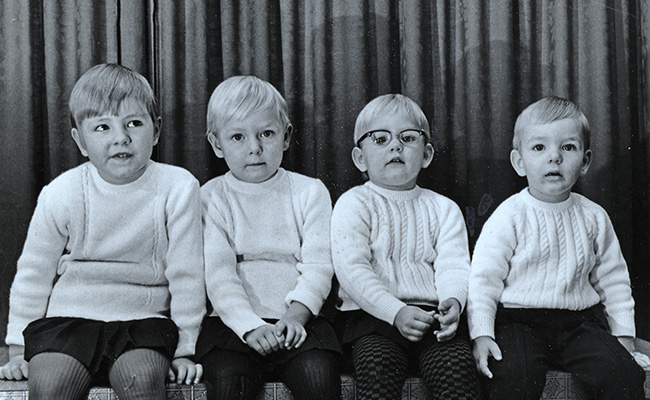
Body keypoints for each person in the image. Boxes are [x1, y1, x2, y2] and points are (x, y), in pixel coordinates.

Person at [0, 63, 206, 400]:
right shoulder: (62, 192)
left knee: (142, 382)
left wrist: (185, 348)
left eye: (134, 123)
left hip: (144, 322)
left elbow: (187, 274)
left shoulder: (178, 187)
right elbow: (33, 273)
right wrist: (18, 348)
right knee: (50, 387)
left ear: (155, 131)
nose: (120, 137)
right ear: (80, 141)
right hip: (69, 321)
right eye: (102, 127)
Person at [468, 96, 650, 399]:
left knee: (622, 373)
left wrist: (624, 337)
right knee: (513, 375)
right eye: (539, 147)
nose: (554, 157)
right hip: (519, 322)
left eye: (568, 147)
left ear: (585, 161)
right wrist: (482, 334)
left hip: (578, 324)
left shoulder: (593, 216)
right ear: (519, 162)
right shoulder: (509, 215)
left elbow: (614, 281)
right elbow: (483, 281)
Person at [197, 75, 341, 400]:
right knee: (228, 383)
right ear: (217, 144)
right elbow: (218, 275)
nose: (255, 148)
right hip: (233, 324)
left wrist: (296, 316)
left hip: (300, 319)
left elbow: (319, 265)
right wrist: (249, 326)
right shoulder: (210, 197)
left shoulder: (310, 191)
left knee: (318, 375)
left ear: (286, 136)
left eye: (266, 133)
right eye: (238, 137)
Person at [331, 94, 481, 400]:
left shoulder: (443, 208)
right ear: (360, 158)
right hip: (372, 317)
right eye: (380, 139)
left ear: (426, 154)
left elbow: (454, 265)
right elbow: (352, 270)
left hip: (432, 318)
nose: (395, 146)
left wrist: (454, 301)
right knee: (377, 372)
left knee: (458, 374)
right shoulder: (354, 203)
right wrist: (395, 311)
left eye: (408, 138)